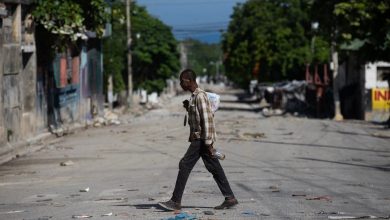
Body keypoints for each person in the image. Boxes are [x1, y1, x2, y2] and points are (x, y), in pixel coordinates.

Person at [158, 69, 238, 211]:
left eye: (181, 81)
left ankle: (175, 201)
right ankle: (230, 198)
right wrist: (188, 108)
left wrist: (208, 143)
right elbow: (198, 117)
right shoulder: (194, 97)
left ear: (188, 80)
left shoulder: (200, 96)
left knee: (185, 165)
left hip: (201, 139)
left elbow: (207, 120)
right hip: (200, 138)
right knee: (214, 167)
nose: (180, 84)